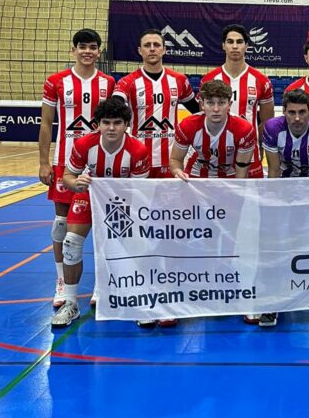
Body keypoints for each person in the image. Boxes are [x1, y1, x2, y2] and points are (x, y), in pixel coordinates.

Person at [51, 97, 150, 328]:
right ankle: (70, 303)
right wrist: (76, 184)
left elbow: (140, 190)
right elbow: (68, 176)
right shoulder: (84, 144)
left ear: (126, 124)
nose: (111, 128)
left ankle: (136, 298)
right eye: (106, 122)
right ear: (98, 124)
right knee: (71, 243)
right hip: (89, 194)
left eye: (117, 122)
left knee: (132, 245)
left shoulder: (138, 150)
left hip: (122, 199)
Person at [39, 29, 115, 310]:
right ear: (73, 50)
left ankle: (102, 283)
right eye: (82, 46)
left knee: (103, 225)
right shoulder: (56, 81)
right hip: (64, 162)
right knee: (62, 225)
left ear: (99, 51)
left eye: (92, 47)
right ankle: (61, 281)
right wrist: (44, 162)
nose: (87, 51)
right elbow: (46, 123)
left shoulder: (108, 83)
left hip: (99, 164)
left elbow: (116, 122)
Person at [260, 88, 309, 329]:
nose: (297, 118)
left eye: (302, 112)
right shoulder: (272, 128)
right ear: (284, 112)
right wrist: (272, 204)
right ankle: (273, 303)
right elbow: (273, 169)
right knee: (277, 246)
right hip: (284, 189)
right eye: (291, 112)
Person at [113, 28, 196, 179]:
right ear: (140, 50)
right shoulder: (128, 82)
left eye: (157, 45)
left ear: (164, 50)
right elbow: (114, 107)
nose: (152, 49)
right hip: (138, 158)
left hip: (172, 160)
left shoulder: (179, 80)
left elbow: (197, 111)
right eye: (147, 45)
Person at [200, 24, 274, 179]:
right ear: (223, 45)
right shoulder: (209, 79)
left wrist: (260, 146)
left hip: (250, 154)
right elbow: (202, 118)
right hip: (216, 156)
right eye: (230, 42)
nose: (235, 46)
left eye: (239, 42)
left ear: (246, 46)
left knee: (251, 195)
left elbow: (267, 122)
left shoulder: (261, 80)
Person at [170, 80, 254, 181]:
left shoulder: (244, 129)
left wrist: (237, 188)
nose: (216, 109)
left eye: (221, 103)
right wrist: (177, 171)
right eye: (210, 103)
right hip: (194, 177)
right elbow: (175, 159)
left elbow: (242, 171)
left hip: (230, 177)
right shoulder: (188, 125)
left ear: (229, 104)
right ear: (202, 104)